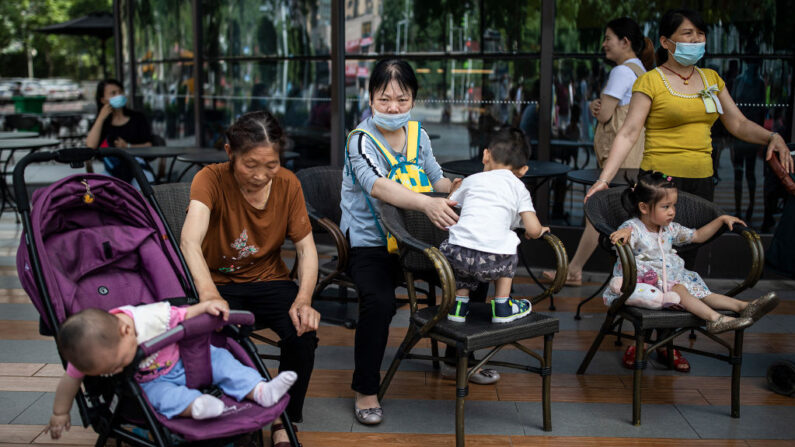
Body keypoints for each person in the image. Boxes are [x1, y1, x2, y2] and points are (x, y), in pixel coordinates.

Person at [584, 9, 793, 370]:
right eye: (687, 34)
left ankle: (669, 342)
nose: (696, 41)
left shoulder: (711, 79)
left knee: (685, 263)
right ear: (666, 42)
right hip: (661, 184)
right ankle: (640, 339)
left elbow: (738, 123)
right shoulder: (650, 81)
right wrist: (605, 177)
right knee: (651, 263)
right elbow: (629, 131)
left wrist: (773, 136)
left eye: (700, 34)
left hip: (701, 182)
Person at [180, 110, 320, 446]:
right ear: (230, 154)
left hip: (269, 279)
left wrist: (304, 300)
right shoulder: (210, 179)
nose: (260, 175)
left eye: (270, 165)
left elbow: (307, 250)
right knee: (219, 339)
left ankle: (285, 420)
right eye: (250, 165)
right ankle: (238, 415)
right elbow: (189, 241)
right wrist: (209, 293)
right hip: (219, 283)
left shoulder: (288, 183)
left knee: (303, 332)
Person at [341, 59, 463, 425]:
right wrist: (427, 202)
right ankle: (365, 389)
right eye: (384, 99)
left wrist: (458, 187)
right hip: (370, 243)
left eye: (402, 99)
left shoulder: (418, 135)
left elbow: (435, 179)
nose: (393, 108)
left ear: (413, 99)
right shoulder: (359, 141)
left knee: (473, 269)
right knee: (378, 304)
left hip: (411, 239)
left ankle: (462, 357)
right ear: (370, 98)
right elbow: (379, 187)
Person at [46, 301, 297, 439]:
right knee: (161, 397)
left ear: (126, 331)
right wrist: (60, 412)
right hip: (155, 380)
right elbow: (69, 381)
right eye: (110, 369)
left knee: (222, 359)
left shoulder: (149, 318)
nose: (118, 369)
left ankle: (260, 390)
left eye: (118, 363)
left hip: (187, 360)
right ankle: (198, 406)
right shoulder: (88, 351)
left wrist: (206, 307)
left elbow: (184, 313)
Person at [607, 172, 779, 365]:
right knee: (681, 289)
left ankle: (745, 307)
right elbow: (622, 236)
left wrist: (720, 220)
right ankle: (715, 319)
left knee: (700, 292)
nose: (672, 211)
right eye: (666, 207)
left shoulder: (670, 229)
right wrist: (624, 232)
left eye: (673, 205)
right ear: (644, 207)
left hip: (672, 280)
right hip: (647, 284)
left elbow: (696, 236)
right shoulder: (634, 228)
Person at [542, 17, 654, 287]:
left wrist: (597, 106)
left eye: (608, 38)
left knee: (596, 211)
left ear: (624, 42)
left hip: (621, 158)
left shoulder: (621, 72)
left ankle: (574, 270)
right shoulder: (642, 71)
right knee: (625, 214)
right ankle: (580, 270)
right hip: (637, 158)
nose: (604, 44)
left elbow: (604, 114)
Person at [440, 128, 550, 325]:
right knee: (507, 245)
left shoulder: (471, 180)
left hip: (456, 257)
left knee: (465, 244)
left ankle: (459, 305)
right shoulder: (518, 188)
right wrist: (539, 230)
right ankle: (501, 305)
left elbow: (448, 207)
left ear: (485, 155)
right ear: (523, 170)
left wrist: (452, 191)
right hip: (493, 263)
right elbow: (532, 230)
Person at [86, 79, 155, 186]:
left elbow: (149, 145)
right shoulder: (102, 123)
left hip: (137, 169)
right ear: (103, 100)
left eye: (120, 92)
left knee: (143, 187)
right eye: (113, 93)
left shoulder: (137, 118)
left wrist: (128, 146)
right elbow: (90, 146)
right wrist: (100, 118)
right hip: (113, 171)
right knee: (104, 189)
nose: (119, 95)